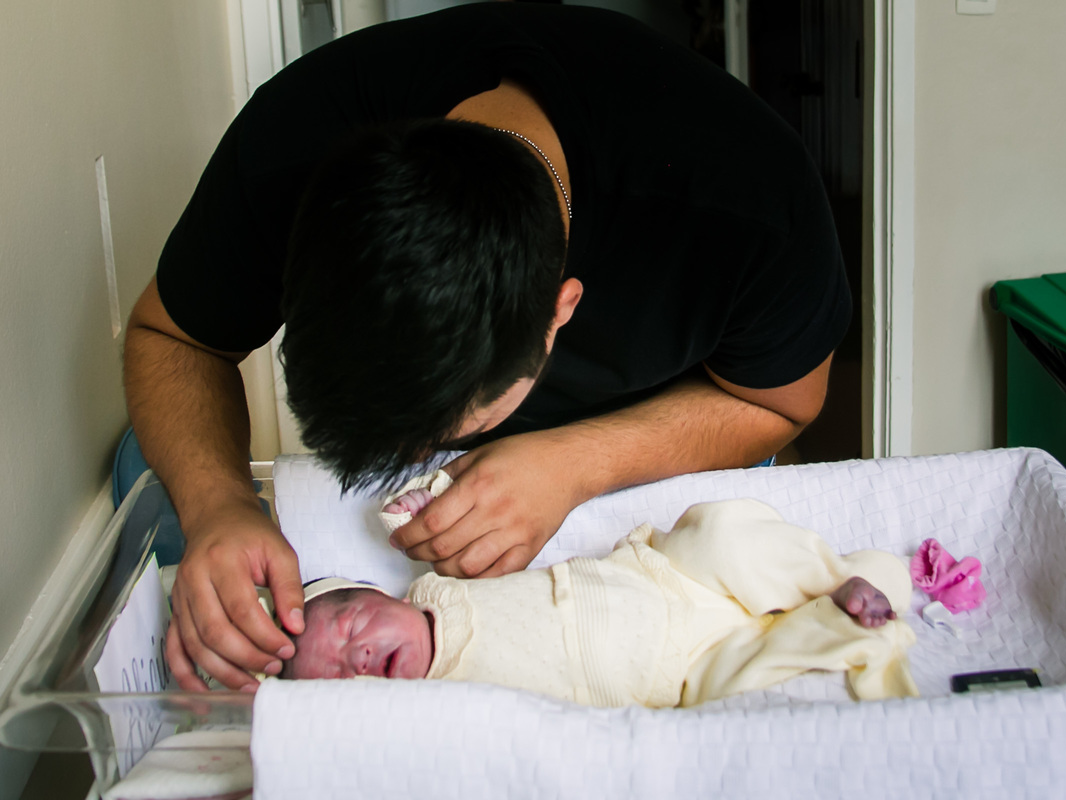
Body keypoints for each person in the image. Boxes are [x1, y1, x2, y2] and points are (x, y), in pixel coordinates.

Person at [125, 3, 852, 692]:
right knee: (143, 467)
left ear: (561, 313)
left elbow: (784, 406)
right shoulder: (292, 143)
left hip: (666, 440)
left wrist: (577, 464)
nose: (413, 464)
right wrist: (218, 506)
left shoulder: (751, 209)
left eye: (441, 433)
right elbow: (171, 337)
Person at [283, 499, 918, 705]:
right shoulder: (435, 708)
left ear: (381, 595)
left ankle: (831, 577)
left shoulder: (437, 587)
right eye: (339, 677)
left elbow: (443, 521)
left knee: (721, 535)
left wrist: (420, 506)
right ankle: (850, 613)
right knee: (754, 679)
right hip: (677, 677)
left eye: (351, 626)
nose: (357, 658)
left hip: (665, 579)